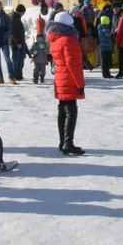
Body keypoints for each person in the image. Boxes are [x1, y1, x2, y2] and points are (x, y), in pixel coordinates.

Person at [49, 10, 86, 153]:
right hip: (69, 78)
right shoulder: (68, 39)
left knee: (62, 110)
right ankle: (68, 143)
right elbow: (73, 64)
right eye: (72, 23)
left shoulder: (55, 38)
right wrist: (80, 84)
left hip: (60, 77)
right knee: (71, 111)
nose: (74, 26)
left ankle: (62, 142)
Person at [0, 0, 13, 84]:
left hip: (4, 42)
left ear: (1, 6)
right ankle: (0, 78)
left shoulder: (6, 17)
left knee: (8, 60)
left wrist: (5, 36)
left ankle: (11, 77)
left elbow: (10, 29)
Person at [10, 4, 28, 82]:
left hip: (19, 42)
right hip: (15, 42)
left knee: (20, 59)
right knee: (16, 60)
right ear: (21, 12)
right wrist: (17, 43)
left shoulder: (17, 17)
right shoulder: (14, 18)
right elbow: (13, 32)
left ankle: (19, 76)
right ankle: (15, 76)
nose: (23, 14)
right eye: (23, 12)